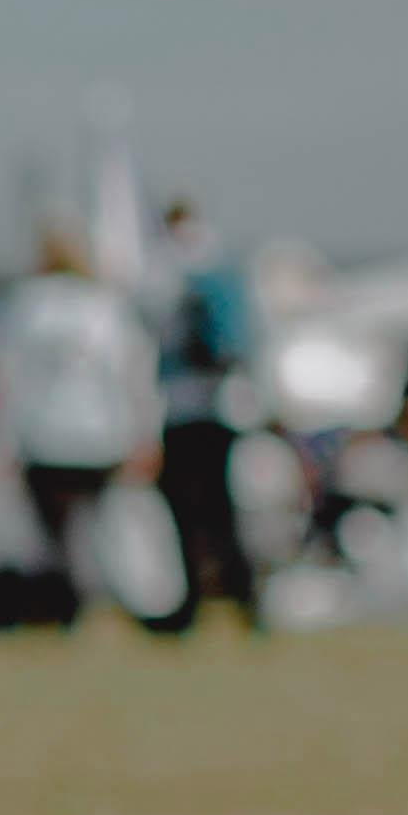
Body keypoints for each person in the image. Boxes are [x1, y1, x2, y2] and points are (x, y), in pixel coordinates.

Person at [0, 224, 163, 628]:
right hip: (101, 437)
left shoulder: (28, 305)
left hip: (45, 439)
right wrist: (144, 434)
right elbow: (132, 375)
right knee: (107, 531)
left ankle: (65, 608)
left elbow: (13, 381)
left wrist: (8, 441)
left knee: (55, 536)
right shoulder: (106, 306)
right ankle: (119, 604)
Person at [148, 198, 266, 628]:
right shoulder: (223, 272)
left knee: (194, 508)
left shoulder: (184, 275)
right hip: (219, 409)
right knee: (218, 507)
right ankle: (239, 596)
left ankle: (205, 597)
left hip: (190, 408)